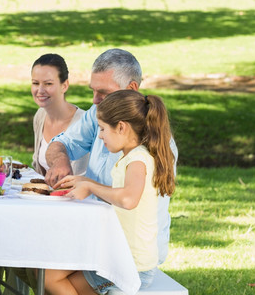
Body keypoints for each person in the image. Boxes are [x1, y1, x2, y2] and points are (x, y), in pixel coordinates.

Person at [45, 48, 178, 265]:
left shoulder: (153, 145)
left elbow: (127, 200)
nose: (95, 100)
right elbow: (61, 142)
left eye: (104, 93)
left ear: (132, 88)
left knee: (46, 266)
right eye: (93, 91)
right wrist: (60, 162)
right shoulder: (99, 113)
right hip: (100, 235)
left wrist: (88, 185)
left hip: (126, 248)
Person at [31, 53, 89, 175]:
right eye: (36, 83)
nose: (40, 90)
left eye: (48, 84)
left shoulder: (84, 123)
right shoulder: (40, 115)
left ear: (64, 86)